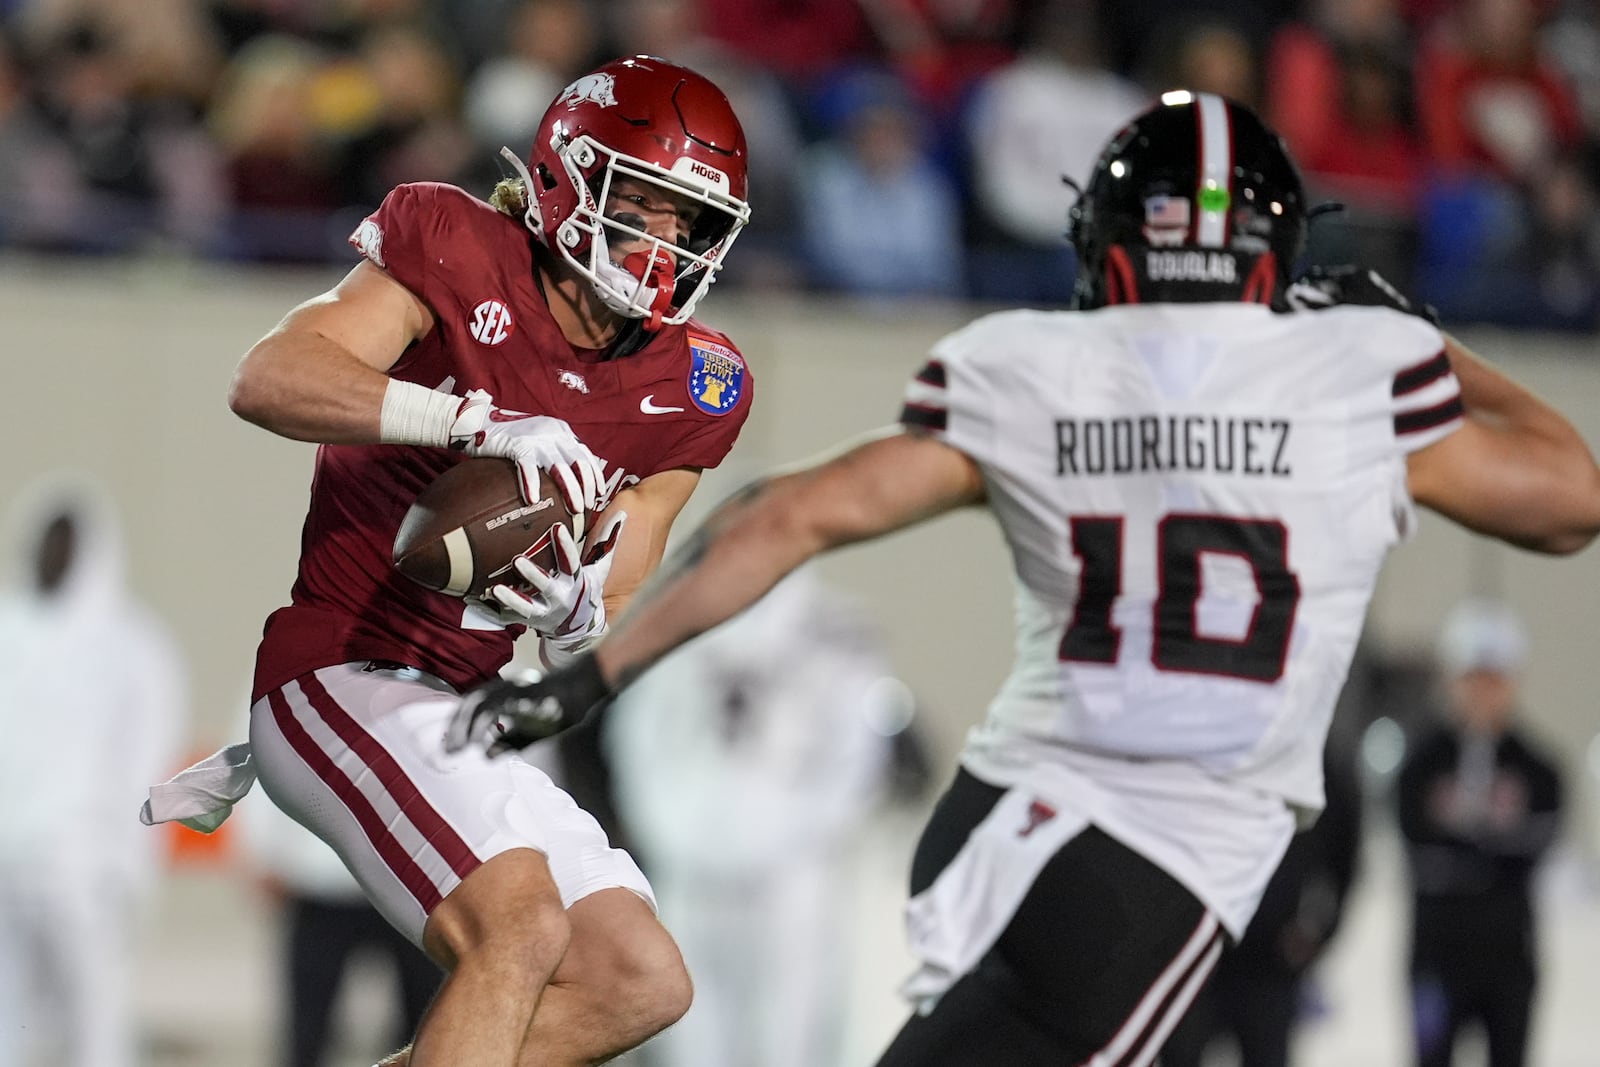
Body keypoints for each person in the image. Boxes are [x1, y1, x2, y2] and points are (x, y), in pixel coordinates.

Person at [446, 91, 1600, 1066]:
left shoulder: (1031, 362)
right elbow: (1570, 499)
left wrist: (595, 672)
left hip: (1002, 807)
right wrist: (1429, 340)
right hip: (1166, 852)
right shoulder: (1358, 371)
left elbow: (789, 513)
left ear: (1105, 236)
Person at [142, 55, 755, 1067]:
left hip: (468, 708)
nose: (662, 246)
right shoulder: (455, 241)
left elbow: (626, 573)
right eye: (643, 205)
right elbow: (269, 376)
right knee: (517, 929)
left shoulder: (699, 381)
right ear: (567, 176)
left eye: (686, 224)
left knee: (638, 978)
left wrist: (574, 611)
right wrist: (467, 418)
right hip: (340, 666)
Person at [603, 568, 914, 1067]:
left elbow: (857, 758)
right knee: (688, 1034)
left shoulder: (838, 631)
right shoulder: (670, 622)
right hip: (687, 870)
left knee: (788, 1036)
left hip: (793, 878)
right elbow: (635, 741)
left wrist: (790, 837)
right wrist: (671, 836)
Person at [0, 473, 188, 1067]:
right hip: (9, 861)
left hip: (86, 867)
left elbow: (150, 762)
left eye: (64, 543)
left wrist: (133, 864)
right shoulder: (10, 630)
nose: (51, 556)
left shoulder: (133, 646)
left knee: (97, 1023)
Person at [1397, 599, 1564, 1067]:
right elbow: (1417, 844)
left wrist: (1466, 847)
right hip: (1437, 953)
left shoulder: (1539, 767)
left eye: (1494, 680)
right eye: (1474, 678)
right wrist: (1490, 848)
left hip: (1508, 955)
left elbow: (1535, 848)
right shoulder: (1421, 764)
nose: (1483, 693)